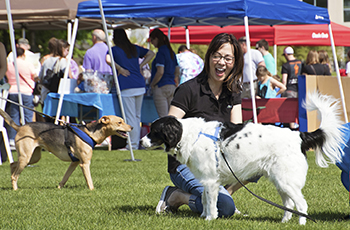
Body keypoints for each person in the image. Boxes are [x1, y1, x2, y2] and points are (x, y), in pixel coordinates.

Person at [156, 33, 244, 218]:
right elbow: (168, 130)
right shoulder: (188, 90)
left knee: (257, 159)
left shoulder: (233, 91)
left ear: (235, 62)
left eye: (228, 58)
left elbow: (237, 133)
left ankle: (223, 195)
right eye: (217, 56)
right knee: (224, 209)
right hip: (185, 165)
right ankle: (176, 196)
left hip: (217, 163)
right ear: (209, 57)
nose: (221, 62)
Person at [106, 29, 155, 150]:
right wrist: (141, 65)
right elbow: (151, 53)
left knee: (130, 117)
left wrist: (119, 69)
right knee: (137, 116)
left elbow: (108, 59)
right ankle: (134, 144)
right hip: (139, 84)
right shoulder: (134, 48)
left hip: (126, 85)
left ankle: (132, 145)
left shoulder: (115, 50)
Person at [5, 47, 37, 147]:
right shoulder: (28, 64)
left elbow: (7, 77)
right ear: (24, 54)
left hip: (12, 91)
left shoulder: (9, 65)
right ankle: (29, 137)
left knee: (14, 116)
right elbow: (34, 76)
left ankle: (12, 138)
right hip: (26, 92)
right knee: (28, 117)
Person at [149, 28, 180, 117]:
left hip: (161, 86)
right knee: (172, 118)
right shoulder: (171, 52)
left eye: (152, 40)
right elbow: (177, 70)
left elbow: (160, 72)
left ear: (157, 39)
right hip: (171, 86)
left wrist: (153, 84)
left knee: (163, 118)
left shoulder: (160, 53)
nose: (151, 42)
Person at [38, 39, 71, 104]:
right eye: (67, 50)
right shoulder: (63, 61)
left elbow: (40, 78)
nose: (68, 52)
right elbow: (68, 78)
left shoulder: (46, 60)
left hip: (46, 93)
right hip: (57, 95)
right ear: (62, 49)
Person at [281, 46, 302, 130]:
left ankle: (292, 128)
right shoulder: (301, 63)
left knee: (289, 111)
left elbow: (284, 81)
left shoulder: (286, 65)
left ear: (286, 55)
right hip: (299, 90)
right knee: (298, 111)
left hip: (289, 90)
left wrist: (282, 91)